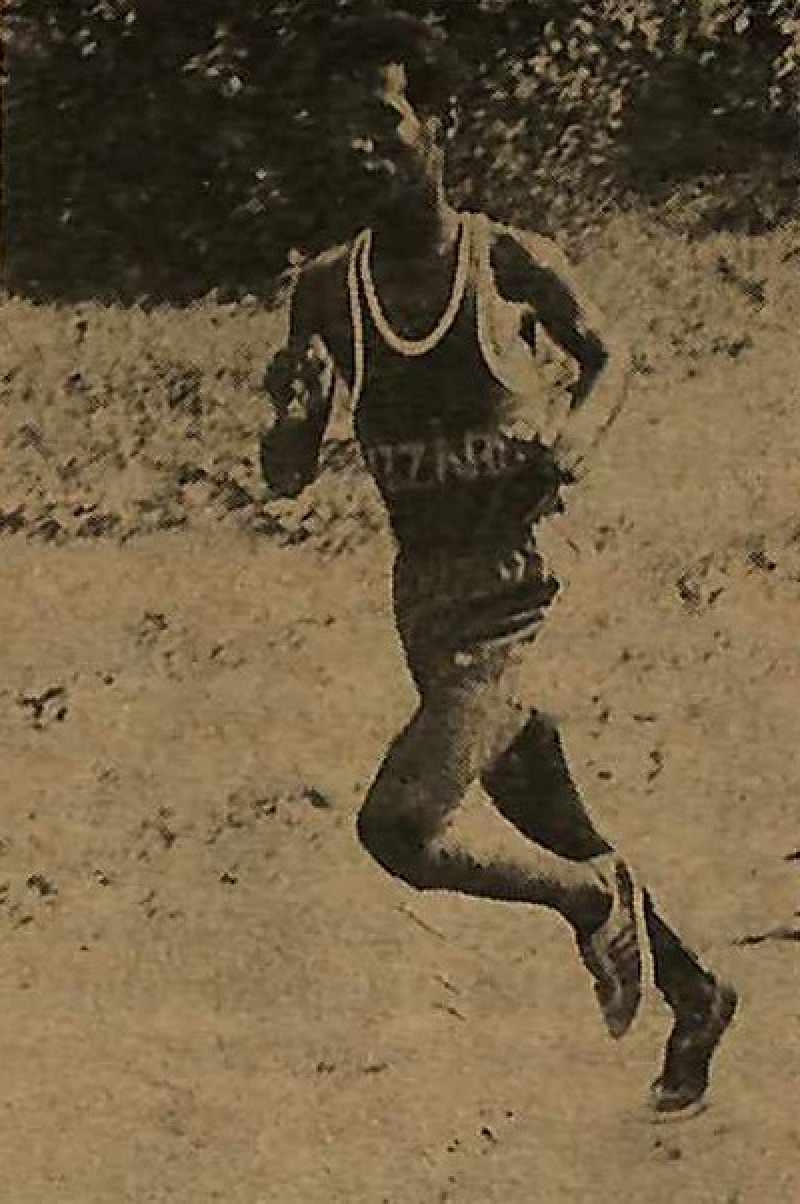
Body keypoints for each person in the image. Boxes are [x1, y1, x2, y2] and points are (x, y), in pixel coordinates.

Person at [259, 11, 737, 1115]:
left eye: (380, 120)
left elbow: (608, 353)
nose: (357, 146)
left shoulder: (507, 259)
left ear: (438, 123)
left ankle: (588, 906)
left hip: (523, 597)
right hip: (428, 605)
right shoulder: (326, 290)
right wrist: (292, 421)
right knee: (550, 821)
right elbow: (285, 473)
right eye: (336, 127)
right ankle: (697, 992)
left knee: (400, 825)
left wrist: (575, 435)